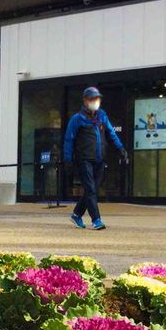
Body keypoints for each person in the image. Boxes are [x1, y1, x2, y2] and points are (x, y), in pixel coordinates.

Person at [63, 86, 128, 231]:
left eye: (97, 99)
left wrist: (121, 149)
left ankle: (76, 214)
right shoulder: (77, 119)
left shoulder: (102, 116)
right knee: (91, 189)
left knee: (92, 190)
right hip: (84, 159)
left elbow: (111, 133)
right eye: (92, 99)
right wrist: (68, 160)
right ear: (85, 101)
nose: (95, 101)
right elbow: (69, 140)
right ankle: (96, 220)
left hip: (99, 159)